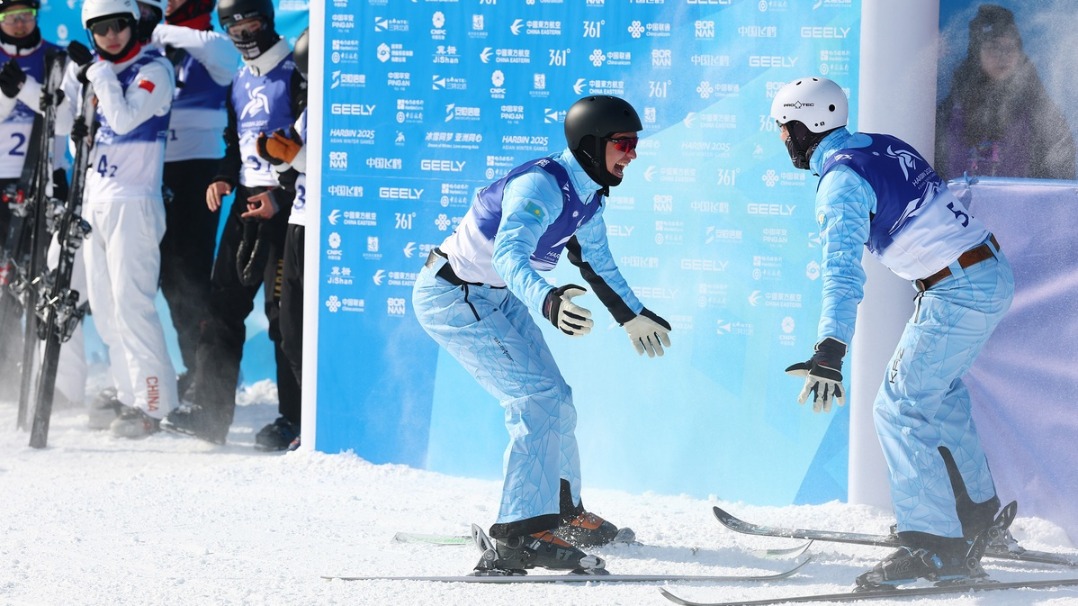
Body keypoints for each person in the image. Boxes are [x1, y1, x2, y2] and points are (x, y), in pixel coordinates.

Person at [412, 95, 673, 574]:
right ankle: (519, 533)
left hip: (494, 295)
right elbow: (510, 254)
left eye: (635, 143)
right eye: (623, 142)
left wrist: (633, 314)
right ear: (592, 144)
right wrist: (549, 300)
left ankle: (562, 513)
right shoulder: (541, 185)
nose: (632, 152)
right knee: (534, 398)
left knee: (558, 397)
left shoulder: (589, 194)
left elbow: (597, 263)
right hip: (453, 294)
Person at [772, 76, 1015, 587]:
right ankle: (976, 518)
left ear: (801, 126)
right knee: (936, 394)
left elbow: (841, 271)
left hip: (958, 287)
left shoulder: (840, 183)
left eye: (782, 129)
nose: (782, 139)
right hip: (983, 273)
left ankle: (933, 545)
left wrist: (830, 350)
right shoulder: (878, 144)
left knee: (898, 405)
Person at [161, 0, 303, 447]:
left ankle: (294, 419)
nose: (242, 31)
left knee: (284, 320)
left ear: (269, 19)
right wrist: (223, 178)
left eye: (250, 21)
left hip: (288, 205)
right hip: (245, 202)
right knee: (221, 307)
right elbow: (235, 142)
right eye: (232, 24)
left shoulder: (297, 70)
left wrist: (279, 197)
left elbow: (314, 145)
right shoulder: (238, 78)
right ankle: (210, 411)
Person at [57, 0, 178, 437]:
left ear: (134, 24)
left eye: (119, 26)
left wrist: (100, 75)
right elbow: (84, 147)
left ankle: (153, 404)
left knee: (132, 305)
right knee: (106, 311)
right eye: (101, 29)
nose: (111, 36)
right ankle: (129, 398)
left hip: (135, 201)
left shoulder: (155, 70)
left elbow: (125, 121)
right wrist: (76, 135)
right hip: (98, 200)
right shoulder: (95, 77)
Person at [150, 0, 236, 399]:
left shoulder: (210, 42)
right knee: (170, 276)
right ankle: (191, 366)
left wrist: (162, 31)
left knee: (194, 271)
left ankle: (208, 375)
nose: (168, 3)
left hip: (200, 170)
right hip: (157, 167)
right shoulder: (161, 46)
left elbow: (223, 54)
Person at [0, 0, 79, 405]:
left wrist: (26, 90)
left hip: (43, 183)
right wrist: (8, 96)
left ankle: (38, 374)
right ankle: (5, 372)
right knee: (3, 280)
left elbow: (64, 120)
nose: (18, 24)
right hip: (3, 179)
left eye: (25, 16)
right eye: (9, 17)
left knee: (37, 279)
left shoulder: (56, 59)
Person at [935, 4, 1076, 181]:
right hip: (957, 207)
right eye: (993, 47)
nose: (1003, 55)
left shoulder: (1039, 110)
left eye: (1010, 48)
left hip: (1022, 207)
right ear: (976, 52)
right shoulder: (952, 111)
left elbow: (1061, 166)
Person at [255, 26, 306, 451]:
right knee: (288, 330)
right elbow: (291, 170)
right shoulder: (307, 107)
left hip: (325, 228)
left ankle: (312, 421)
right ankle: (300, 418)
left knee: (308, 332)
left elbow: (337, 161)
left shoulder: (347, 104)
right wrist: (280, 163)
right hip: (296, 222)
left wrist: (293, 158)